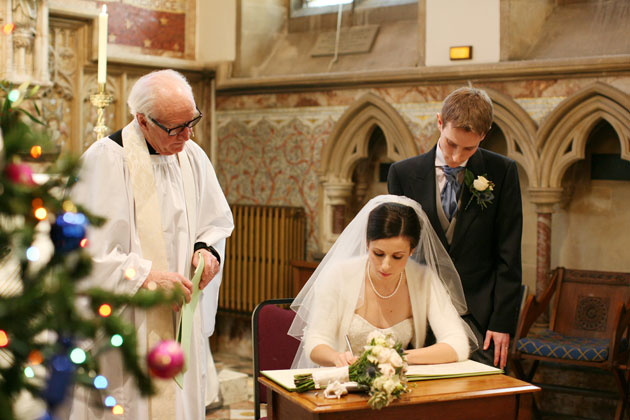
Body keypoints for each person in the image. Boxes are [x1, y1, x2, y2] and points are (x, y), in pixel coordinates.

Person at [65, 70, 234, 420]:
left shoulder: (191, 156)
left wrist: (208, 250)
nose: (187, 135)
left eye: (192, 122)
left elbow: (215, 221)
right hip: (131, 323)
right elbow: (84, 252)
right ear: (142, 120)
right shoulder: (105, 160)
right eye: (176, 128)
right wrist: (147, 276)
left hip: (179, 321)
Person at [387, 87, 522, 369]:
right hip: (419, 314)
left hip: (480, 318)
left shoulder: (502, 172)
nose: (457, 156)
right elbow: (396, 248)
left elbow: (509, 253)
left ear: (484, 135)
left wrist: (501, 322)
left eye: (469, 148)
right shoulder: (402, 174)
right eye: (450, 143)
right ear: (439, 122)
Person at [289, 195, 476, 369]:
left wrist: (399, 357)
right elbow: (315, 341)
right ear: (367, 243)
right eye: (378, 254)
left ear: (412, 250)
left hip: (396, 383)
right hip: (341, 382)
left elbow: (458, 343)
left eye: (397, 256)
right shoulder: (339, 275)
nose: (386, 266)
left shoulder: (424, 280)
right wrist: (336, 357)